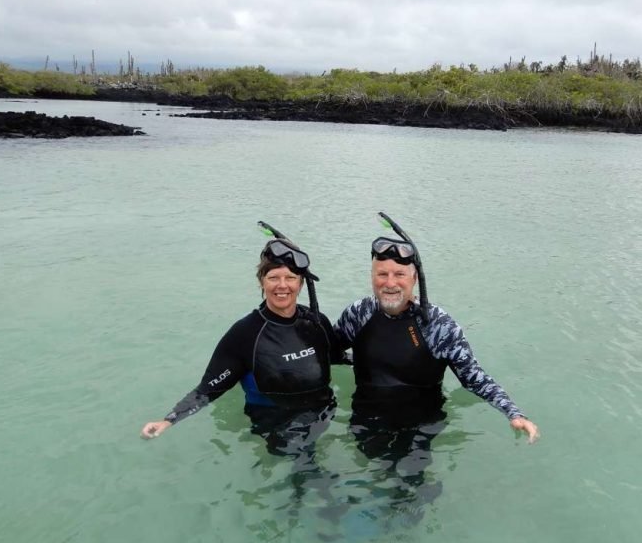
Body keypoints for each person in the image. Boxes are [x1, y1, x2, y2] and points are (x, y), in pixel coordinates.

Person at [333, 216, 539, 505]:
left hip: (421, 423)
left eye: (399, 274)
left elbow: (473, 376)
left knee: (408, 489)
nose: (390, 283)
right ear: (372, 276)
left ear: (414, 278)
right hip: (367, 417)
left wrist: (513, 413)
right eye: (382, 274)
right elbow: (327, 352)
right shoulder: (358, 314)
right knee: (375, 472)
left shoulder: (438, 325)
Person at [141, 231, 343, 479]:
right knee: (305, 468)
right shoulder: (246, 333)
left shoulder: (316, 322)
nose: (282, 285)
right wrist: (169, 420)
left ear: (301, 283)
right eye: (273, 277)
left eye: (290, 278)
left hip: (323, 411)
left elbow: (335, 356)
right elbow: (209, 388)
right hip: (274, 420)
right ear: (261, 282)